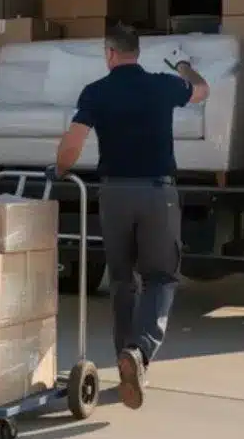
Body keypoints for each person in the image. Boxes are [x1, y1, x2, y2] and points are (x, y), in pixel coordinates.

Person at [47, 24, 208, 410]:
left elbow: (73, 142)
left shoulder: (96, 92)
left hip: (114, 194)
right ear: (138, 52)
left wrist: (59, 169)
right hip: (157, 192)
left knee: (121, 280)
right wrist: (185, 67)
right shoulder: (164, 84)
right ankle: (139, 352)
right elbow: (202, 92)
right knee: (162, 276)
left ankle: (125, 356)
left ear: (109, 53)